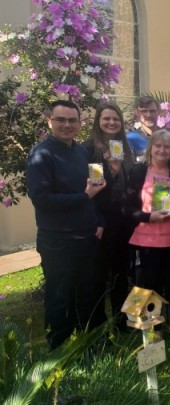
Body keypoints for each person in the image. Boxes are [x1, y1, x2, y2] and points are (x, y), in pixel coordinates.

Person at [27, 100, 106, 349]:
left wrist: (99, 221)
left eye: (72, 120)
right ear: (49, 121)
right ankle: (58, 351)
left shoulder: (81, 152)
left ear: (80, 123)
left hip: (86, 236)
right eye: (61, 120)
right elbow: (42, 200)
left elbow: (94, 192)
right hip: (58, 241)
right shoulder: (41, 155)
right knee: (60, 296)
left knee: (87, 293)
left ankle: (89, 343)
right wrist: (84, 197)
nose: (67, 125)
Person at [125, 130, 170, 339]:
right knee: (146, 283)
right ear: (151, 148)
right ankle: (148, 326)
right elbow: (126, 207)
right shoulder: (138, 172)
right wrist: (148, 216)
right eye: (158, 146)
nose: (162, 150)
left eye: (167, 147)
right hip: (145, 238)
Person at [82, 102, 134, 330]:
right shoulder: (91, 150)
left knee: (121, 273)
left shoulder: (124, 148)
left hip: (124, 220)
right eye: (106, 119)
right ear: (98, 121)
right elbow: (95, 188)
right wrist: (111, 168)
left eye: (116, 119)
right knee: (99, 276)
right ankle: (98, 327)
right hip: (103, 221)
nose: (111, 122)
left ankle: (121, 321)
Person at [126, 96, 160, 162]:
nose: (148, 115)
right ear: (137, 113)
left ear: (158, 112)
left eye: (152, 111)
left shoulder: (167, 137)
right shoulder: (130, 139)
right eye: (144, 111)